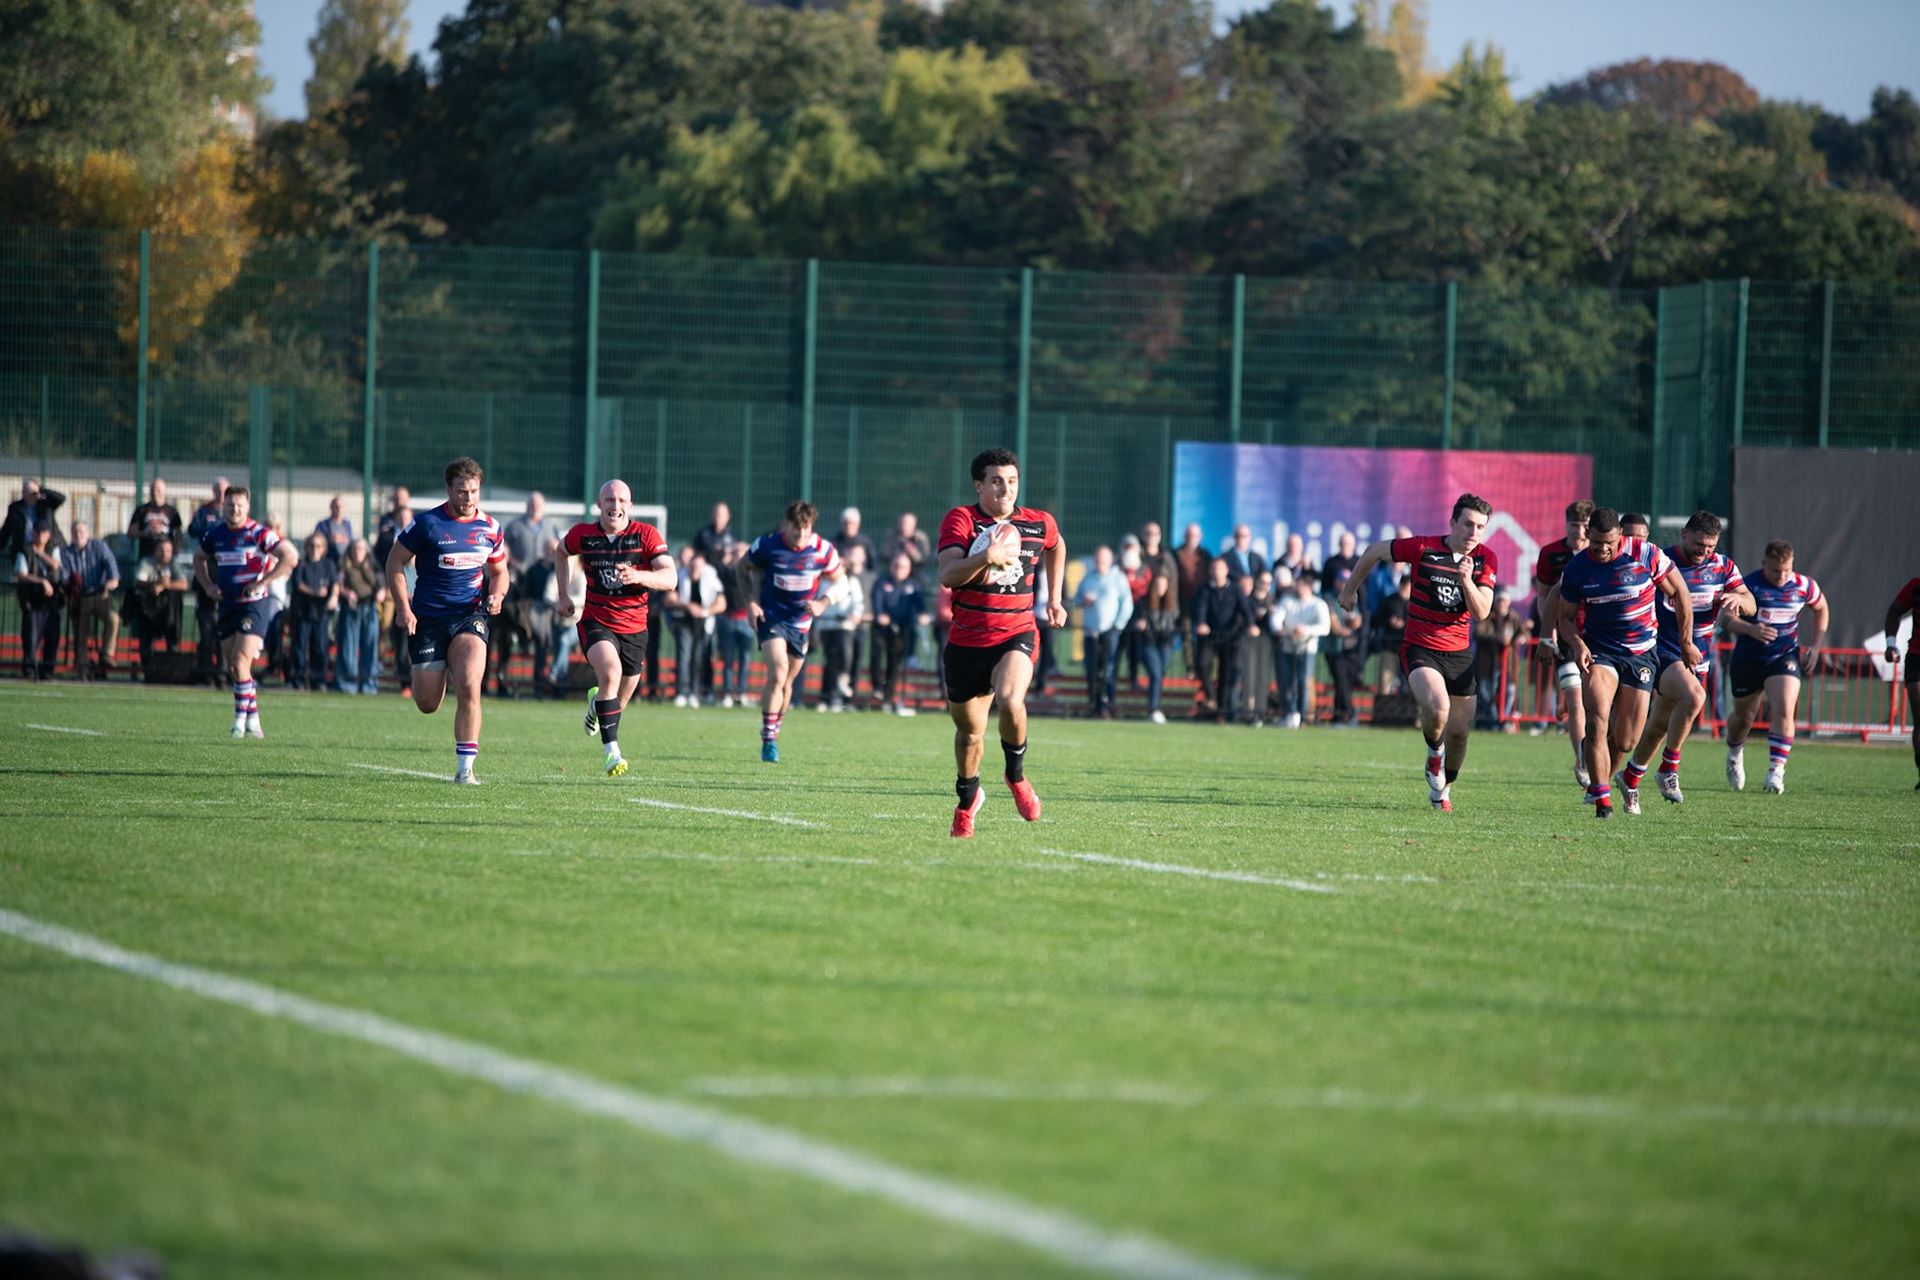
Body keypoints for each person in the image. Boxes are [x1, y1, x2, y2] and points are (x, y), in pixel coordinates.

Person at [1339, 494, 1498, 812]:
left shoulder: (1486, 559)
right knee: (1438, 709)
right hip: (1421, 648)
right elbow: (1373, 552)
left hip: (1460, 655)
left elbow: (1481, 612)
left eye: (1480, 527)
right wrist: (1350, 589)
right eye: (1468, 524)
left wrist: (1466, 580)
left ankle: (1443, 791)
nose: (1473, 532)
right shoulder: (1423, 547)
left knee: (1459, 735)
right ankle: (1433, 752)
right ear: (1453, 523)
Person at [938, 448, 1064, 836]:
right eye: (995, 481)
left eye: (1012, 481)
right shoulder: (962, 519)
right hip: (967, 641)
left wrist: (1055, 598)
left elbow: (1056, 546)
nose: (1005, 489)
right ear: (979, 485)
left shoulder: (1037, 523)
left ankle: (1016, 776)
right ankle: (969, 798)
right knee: (970, 733)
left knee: (1011, 700)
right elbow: (948, 574)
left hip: (1016, 633)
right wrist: (986, 557)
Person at [1552, 508, 1695, 818]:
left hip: (1641, 654)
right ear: (1587, 536)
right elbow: (1564, 618)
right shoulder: (1577, 568)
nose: (1603, 550)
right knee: (1597, 718)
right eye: (1596, 543)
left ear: (1620, 537)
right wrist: (1576, 643)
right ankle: (1602, 801)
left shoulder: (1646, 555)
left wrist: (1686, 643)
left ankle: (1605, 774)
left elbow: (1680, 593)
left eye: (1609, 543)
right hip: (1599, 651)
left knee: (1627, 739)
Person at [386, 457, 509, 784]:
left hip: (470, 615)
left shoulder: (491, 528)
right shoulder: (426, 524)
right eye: (462, 491)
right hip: (428, 619)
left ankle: (465, 769)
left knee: (470, 685)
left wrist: (497, 595)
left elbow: (500, 572)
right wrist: (403, 607)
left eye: (474, 491)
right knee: (427, 703)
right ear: (448, 490)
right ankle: (432, 686)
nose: (469, 498)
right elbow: (394, 562)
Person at [1620, 511, 1754, 806]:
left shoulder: (1722, 566)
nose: (1703, 552)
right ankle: (1669, 769)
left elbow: (1750, 602)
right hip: (1661, 650)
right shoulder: (1660, 561)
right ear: (1683, 534)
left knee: (1660, 724)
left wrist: (1740, 601)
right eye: (1698, 544)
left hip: (1700, 656)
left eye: (1710, 547)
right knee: (1695, 698)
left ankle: (1630, 776)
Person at [554, 479, 676, 776]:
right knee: (610, 673)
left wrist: (639, 576)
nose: (615, 505)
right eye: (609, 499)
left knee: (616, 702)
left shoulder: (645, 535)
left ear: (630, 506)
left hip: (635, 629)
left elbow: (670, 578)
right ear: (599, 504)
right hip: (597, 622)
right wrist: (563, 594)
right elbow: (561, 552)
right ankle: (613, 754)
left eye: (622, 500)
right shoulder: (583, 535)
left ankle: (596, 705)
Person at [1722, 540, 1827, 795]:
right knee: (1743, 717)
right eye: (1775, 571)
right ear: (1763, 564)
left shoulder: (1804, 585)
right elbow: (1725, 618)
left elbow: (1821, 607)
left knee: (1784, 709)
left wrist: (1815, 645)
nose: (1781, 577)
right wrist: (1750, 629)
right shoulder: (1748, 585)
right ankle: (1735, 753)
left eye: (1786, 570)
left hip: (1783, 657)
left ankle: (1775, 772)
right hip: (1748, 658)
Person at [193, 486, 295, 737]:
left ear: (247, 507)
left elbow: (289, 557)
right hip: (227, 604)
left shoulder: (258, 533)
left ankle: (238, 722)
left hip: (254, 604)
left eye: (239, 504)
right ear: (223, 506)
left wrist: (263, 583)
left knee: (240, 661)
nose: (234, 509)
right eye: (230, 505)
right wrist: (208, 586)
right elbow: (198, 559)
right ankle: (254, 721)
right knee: (235, 667)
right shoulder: (216, 534)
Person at [744, 501, 841, 761]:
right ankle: (768, 740)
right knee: (778, 673)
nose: (801, 535)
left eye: (806, 529)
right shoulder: (767, 545)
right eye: (796, 529)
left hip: (801, 625)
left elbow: (841, 582)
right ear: (786, 525)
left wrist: (823, 602)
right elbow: (743, 568)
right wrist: (751, 602)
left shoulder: (823, 549)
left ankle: (775, 728)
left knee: (787, 683)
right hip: (772, 617)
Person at [1533, 500, 1595, 787]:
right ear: (1566, 524)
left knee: (1597, 703)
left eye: (1585, 526)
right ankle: (1582, 760)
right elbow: (1543, 597)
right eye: (1575, 525)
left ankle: (1596, 753)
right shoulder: (1550, 554)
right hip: (1566, 637)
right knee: (1575, 699)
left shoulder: (1601, 554)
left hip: (1598, 636)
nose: (1580, 531)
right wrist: (1550, 632)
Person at [1075, 544, 1133, 719]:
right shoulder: (1088, 578)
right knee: (1091, 671)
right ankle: (1092, 705)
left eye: (1103, 558)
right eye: (1098, 558)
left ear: (1110, 560)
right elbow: (1077, 600)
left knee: (1108, 671)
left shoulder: (1119, 578)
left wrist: (1117, 626)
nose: (1100, 561)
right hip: (1090, 633)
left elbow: (1127, 605)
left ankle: (1106, 705)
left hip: (1110, 633)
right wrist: (1083, 601)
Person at [1191, 557, 1251, 722]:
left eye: (1220, 569)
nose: (1217, 572)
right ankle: (1211, 695)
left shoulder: (1235, 589)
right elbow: (1200, 607)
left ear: (1226, 571)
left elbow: (1244, 608)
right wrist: (1201, 623)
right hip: (1210, 636)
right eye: (1214, 568)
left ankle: (1221, 711)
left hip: (1230, 637)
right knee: (1202, 664)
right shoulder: (1204, 589)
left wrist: (1251, 625)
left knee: (1226, 674)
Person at [61, 520, 121, 679]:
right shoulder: (66, 553)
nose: (78, 535)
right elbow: (64, 575)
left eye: (81, 531)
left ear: (87, 533)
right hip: (80, 597)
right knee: (80, 635)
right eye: (75, 532)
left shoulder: (99, 546)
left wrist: (113, 579)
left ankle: (107, 654)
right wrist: (69, 582)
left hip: (100, 593)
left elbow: (110, 563)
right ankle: (83, 669)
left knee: (113, 618)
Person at [869, 553, 928, 714]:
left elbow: (920, 604)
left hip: (902, 630)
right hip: (882, 627)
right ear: (891, 566)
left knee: (894, 664)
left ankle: (887, 698)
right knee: (876, 653)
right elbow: (876, 599)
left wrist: (922, 614)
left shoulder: (913, 585)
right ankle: (876, 686)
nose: (899, 569)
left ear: (908, 569)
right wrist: (880, 614)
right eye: (896, 565)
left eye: (903, 566)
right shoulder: (882, 582)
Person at [1273, 570, 1331, 728]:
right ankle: (1289, 713)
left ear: (1308, 587)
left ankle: (1303, 716)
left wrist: (1306, 630)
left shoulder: (1318, 605)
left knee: (1303, 681)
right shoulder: (1287, 601)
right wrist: (1279, 629)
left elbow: (1325, 628)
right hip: (1287, 646)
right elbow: (1276, 618)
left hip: (1307, 649)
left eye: (1299, 585)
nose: (1296, 588)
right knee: (1286, 682)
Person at [186, 479, 229, 683]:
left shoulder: (232, 513)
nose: (221, 494)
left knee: (224, 629)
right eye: (218, 490)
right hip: (207, 566)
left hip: (225, 569)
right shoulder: (205, 511)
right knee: (206, 628)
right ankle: (205, 673)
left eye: (224, 491)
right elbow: (192, 529)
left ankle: (222, 673)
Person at [127, 535, 188, 674]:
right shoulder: (147, 562)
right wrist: (156, 585)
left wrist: (165, 585)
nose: (165, 554)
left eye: (168, 551)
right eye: (162, 550)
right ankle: (147, 669)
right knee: (146, 638)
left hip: (168, 612)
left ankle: (170, 669)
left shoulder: (174, 564)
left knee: (173, 634)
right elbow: (139, 581)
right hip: (148, 609)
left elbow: (184, 584)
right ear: (155, 551)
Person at [669, 547, 722, 706]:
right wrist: (687, 606)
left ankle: (694, 692)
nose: (695, 569)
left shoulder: (711, 578)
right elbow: (670, 598)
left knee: (699, 658)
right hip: (684, 622)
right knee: (684, 657)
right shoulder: (681, 576)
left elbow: (721, 603)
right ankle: (681, 692)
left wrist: (705, 611)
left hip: (703, 623)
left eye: (699, 566)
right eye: (693, 566)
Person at [287, 531, 340, 690]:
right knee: (299, 647)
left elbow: (334, 584)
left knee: (320, 647)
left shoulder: (328, 564)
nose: (314, 549)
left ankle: (319, 680)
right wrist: (315, 592)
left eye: (318, 546)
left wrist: (333, 597)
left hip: (321, 612)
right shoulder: (301, 564)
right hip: (303, 611)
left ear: (323, 548)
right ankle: (298, 679)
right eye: (311, 546)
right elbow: (298, 585)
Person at [813, 556, 866, 711]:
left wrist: (855, 615)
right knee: (829, 661)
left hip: (844, 626)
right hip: (827, 625)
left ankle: (841, 691)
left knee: (844, 656)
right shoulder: (823, 582)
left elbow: (858, 602)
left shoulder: (851, 581)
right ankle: (826, 697)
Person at [334, 538, 385, 694]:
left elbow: (381, 584)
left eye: (361, 549)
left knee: (370, 646)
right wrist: (346, 592)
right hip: (351, 609)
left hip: (370, 608)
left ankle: (369, 684)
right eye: (355, 549)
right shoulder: (344, 565)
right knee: (348, 647)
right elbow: (338, 584)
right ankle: (346, 683)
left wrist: (381, 592)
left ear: (366, 551)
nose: (357, 553)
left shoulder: (373, 565)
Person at [1883, 575, 1920, 789]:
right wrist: (1890, 644)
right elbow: (1894, 611)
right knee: (1919, 714)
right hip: (1917, 657)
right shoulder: (1915, 586)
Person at [13, 523, 63, 679]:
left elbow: (55, 565)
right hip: (33, 600)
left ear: (48, 535)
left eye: (44, 532)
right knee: (31, 638)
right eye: (37, 532)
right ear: (33, 534)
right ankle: (29, 670)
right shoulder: (25, 551)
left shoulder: (53, 550)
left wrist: (40, 554)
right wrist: (41, 581)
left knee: (52, 637)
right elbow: (21, 574)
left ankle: (47, 671)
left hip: (51, 602)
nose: (41, 536)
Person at [1472, 586, 1525, 732]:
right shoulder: (1487, 616)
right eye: (1499, 601)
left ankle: (1504, 719)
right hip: (1488, 662)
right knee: (1487, 693)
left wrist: (1521, 637)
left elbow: (1523, 632)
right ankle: (1491, 720)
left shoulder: (1513, 617)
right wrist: (1497, 639)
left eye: (1504, 601)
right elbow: (1478, 633)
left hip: (1508, 663)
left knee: (1509, 691)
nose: (1501, 604)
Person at [712, 541, 755, 708]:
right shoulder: (727, 571)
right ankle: (728, 693)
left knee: (745, 658)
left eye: (742, 552)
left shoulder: (752, 572)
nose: (739, 555)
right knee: (728, 659)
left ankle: (742, 692)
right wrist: (727, 551)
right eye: (736, 552)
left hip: (746, 621)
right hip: (727, 620)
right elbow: (714, 560)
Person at [380, 498, 415, 695]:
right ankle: (404, 683)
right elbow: (383, 563)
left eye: (407, 517)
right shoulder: (387, 539)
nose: (403, 520)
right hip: (393, 596)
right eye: (400, 516)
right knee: (397, 638)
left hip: (417, 598)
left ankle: (420, 683)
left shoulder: (421, 540)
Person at [1136, 570, 1179, 724]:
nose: (1160, 587)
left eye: (1163, 584)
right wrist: (1141, 624)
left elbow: (1175, 622)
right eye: (1158, 584)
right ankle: (1153, 709)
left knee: (1160, 675)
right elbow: (1137, 618)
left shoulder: (1172, 604)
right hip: (1149, 643)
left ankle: (1155, 707)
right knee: (1155, 674)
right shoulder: (1144, 602)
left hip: (1165, 644)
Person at [2, 478, 65, 561]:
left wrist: (41, 489)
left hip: (48, 548)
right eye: (29, 493)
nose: (32, 496)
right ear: (23, 493)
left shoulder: (45, 505)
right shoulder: (15, 508)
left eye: (34, 493)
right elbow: (6, 530)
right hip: (25, 550)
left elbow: (61, 498)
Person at [126, 477, 182, 560]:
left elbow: (178, 535)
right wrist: (146, 533)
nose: (155, 493)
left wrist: (175, 552)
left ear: (164, 492)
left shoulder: (172, 512)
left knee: (179, 573)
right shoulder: (142, 510)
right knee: (141, 573)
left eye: (158, 490)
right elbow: (130, 533)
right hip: (147, 556)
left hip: (167, 558)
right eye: (153, 490)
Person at [882, 511, 932, 580]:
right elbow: (885, 555)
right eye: (902, 522)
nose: (903, 525)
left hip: (915, 576)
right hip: (892, 575)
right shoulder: (891, 537)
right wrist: (899, 559)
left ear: (914, 524)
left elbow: (925, 559)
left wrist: (913, 553)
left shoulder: (920, 538)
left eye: (906, 523)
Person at [832, 506, 879, 572]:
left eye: (851, 523)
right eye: (845, 523)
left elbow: (873, 565)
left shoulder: (865, 542)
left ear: (858, 524)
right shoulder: (835, 542)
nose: (848, 526)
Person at [313, 494, 354, 566]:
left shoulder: (347, 524)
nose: (339, 509)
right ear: (331, 508)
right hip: (329, 561)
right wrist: (329, 539)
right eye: (336, 507)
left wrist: (343, 539)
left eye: (341, 507)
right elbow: (317, 540)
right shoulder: (323, 525)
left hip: (345, 562)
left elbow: (350, 540)